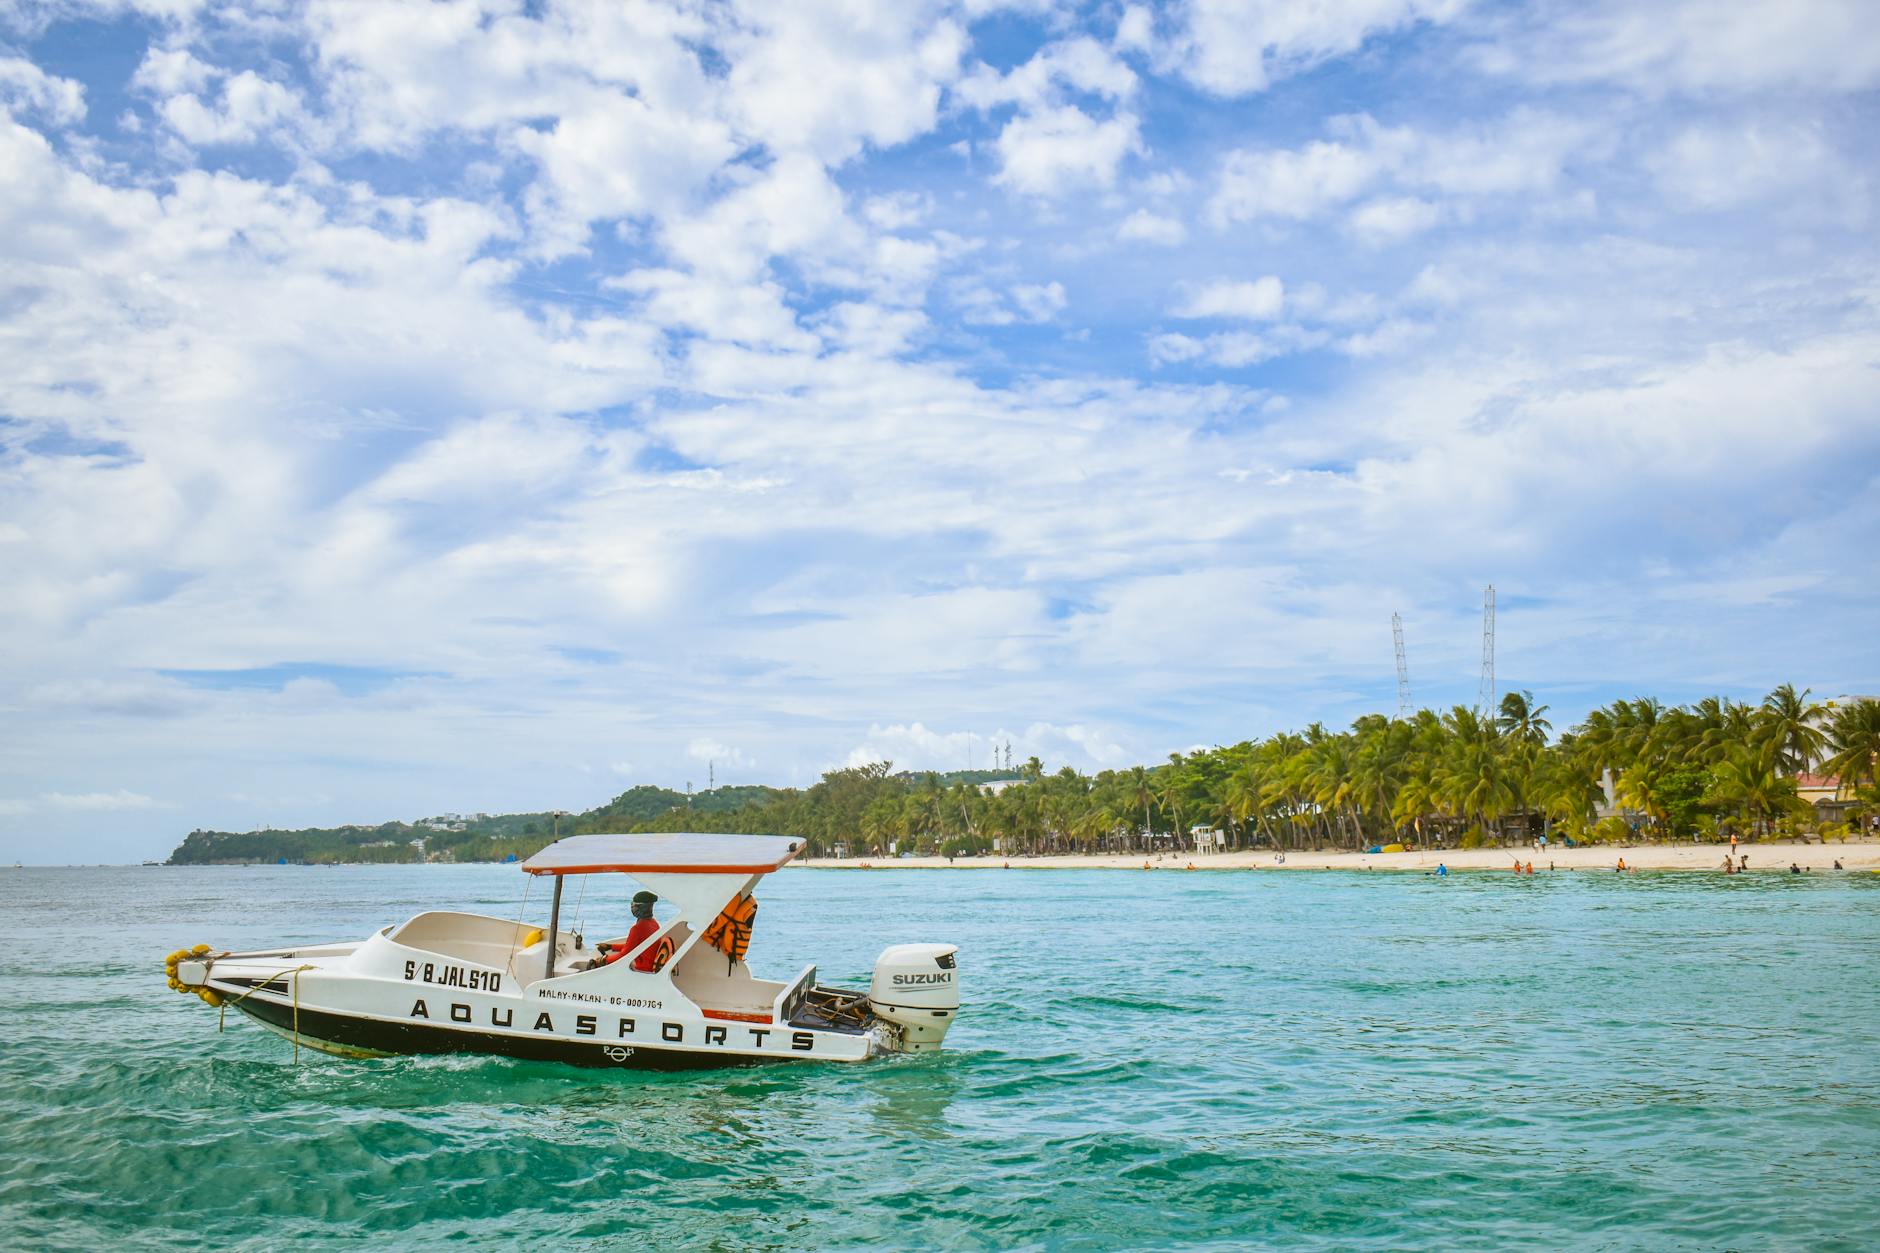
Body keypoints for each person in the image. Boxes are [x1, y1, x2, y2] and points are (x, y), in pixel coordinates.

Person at [597, 890, 662, 970]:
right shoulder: (654, 923)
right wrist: (610, 946)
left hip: (641, 969)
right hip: (649, 966)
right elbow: (631, 946)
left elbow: (624, 955)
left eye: (635, 906)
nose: (632, 908)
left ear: (643, 908)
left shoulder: (637, 929)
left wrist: (604, 960)